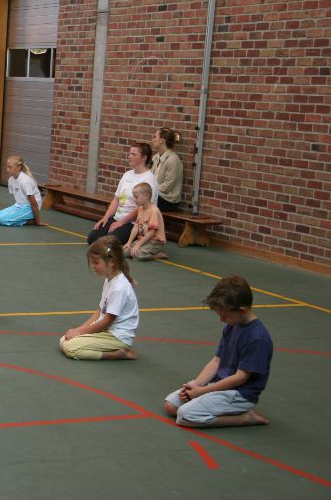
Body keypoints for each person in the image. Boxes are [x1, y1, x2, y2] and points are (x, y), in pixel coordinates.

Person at [163, 276, 272, 428]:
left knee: (185, 416)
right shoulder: (231, 326)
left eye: (224, 316)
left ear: (241, 310)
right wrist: (196, 386)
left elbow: (240, 378)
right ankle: (213, 405)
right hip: (217, 384)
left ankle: (244, 418)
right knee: (171, 406)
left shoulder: (257, 338)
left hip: (238, 393)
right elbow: (216, 361)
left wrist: (202, 391)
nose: (221, 320)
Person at [60, 236, 139, 360]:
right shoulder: (110, 279)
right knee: (64, 340)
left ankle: (116, 354)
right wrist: (78, 329)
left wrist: (79, 332)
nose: (93, 266)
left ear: (112, 261)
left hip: (117, 336)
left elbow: (107, 321)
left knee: (69, 347)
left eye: (96, 263)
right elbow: (100, 311)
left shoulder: (119, 288)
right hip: (106, 331)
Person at [87, 142, 158, 245]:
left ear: (143, 158)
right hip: (117, 217)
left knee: (108, 243)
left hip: (133, 223)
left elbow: (142, 209)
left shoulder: (149, 179)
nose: (129, 156)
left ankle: (135, 239)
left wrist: (121, 222)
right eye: (129, 154)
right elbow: (116, 199)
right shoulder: (127, 175)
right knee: (92, 239)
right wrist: (106, 217)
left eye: (133, 154)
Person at [0, 155, 45, 226]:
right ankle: (23, 218)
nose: (7, 169)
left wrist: (38, 221)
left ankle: (30, 222)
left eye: (10, 167)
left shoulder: (25, 181)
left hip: (30, 208)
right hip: (19, 206)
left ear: (19, 167)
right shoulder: (11, 180)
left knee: (1, 220)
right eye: (7, 167)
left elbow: (34, 204)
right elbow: (20, 199)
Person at [123, 182, 167, 261]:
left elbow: (152, 232)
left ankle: (156, 255)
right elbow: (136, 227)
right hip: (143, 240)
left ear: (146, 196)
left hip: (154, 242)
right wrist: (129, 242)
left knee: (137, 255)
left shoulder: (153, 210)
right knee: (125, 252)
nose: (134, 199)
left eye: (136, 197)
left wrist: (138, 245)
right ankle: (142, 250)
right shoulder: (140, 209)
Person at [151, 127, 184, 212]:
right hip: (155, 194)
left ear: (162, 140)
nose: (153, 140)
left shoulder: (173, 159)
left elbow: (167, 187)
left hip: (168, 200)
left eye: (155, 137)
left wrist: (150, 190)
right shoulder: (155, 157)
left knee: (143, 200)